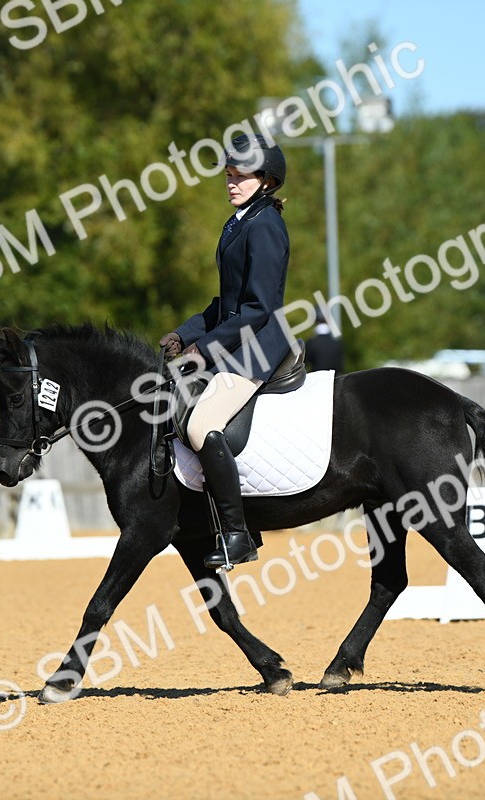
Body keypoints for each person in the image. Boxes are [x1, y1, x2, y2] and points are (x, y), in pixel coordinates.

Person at [159, 134, 291, 568]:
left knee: (201, 424)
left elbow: (258, 308)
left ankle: (238, 534)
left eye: (240, 176)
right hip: (235, 339)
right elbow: (225, 305)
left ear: (266, 180)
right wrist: (183, 333)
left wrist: (203, 348)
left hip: (257, 348)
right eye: (229, 175)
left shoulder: (266, 225)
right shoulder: (238, 222)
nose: (231, 182)